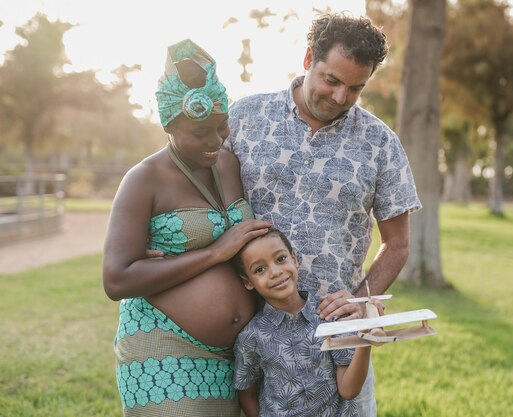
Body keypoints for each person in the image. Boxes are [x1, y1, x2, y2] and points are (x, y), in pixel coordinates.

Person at [224, 13, 421, 415]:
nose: (340, 97)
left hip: (337, 342)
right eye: (331, 80)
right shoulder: (244, 118)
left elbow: (397, 244)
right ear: (308, 57)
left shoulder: (380, 143)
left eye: (355, 88)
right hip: (249, 328)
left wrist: (359, 302)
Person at [102, 39, 272, 416]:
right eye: (200, 133)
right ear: (168, 124)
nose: (215, 142)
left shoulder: (228, 164)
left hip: (237, 357)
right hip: (164, 348)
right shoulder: (143, 180)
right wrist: (214, 252)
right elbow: (116, 279)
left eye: (221, 128)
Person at [231, 229, 372, 417]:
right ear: (248, 282)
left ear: (294, 259)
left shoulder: (330, 316)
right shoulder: (251, 336)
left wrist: (365, 339)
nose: (275, 272)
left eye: (280, 259)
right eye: (259, 269)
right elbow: (246, 394)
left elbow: (348, 390)